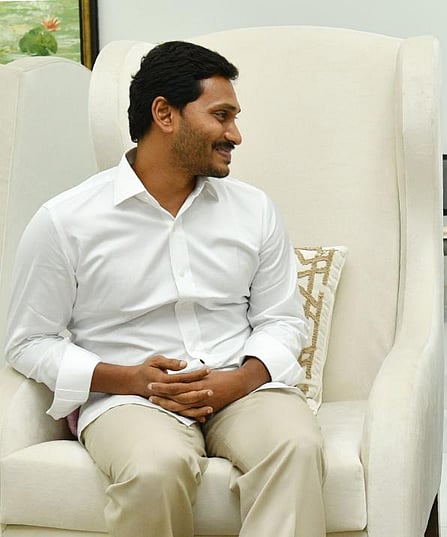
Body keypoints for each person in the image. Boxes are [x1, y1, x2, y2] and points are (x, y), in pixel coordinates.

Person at [5, 41, 325, 537]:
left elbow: (282, 320)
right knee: (155, 468)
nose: (234, 135)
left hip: (240, 387)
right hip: (129, 401)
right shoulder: (65, 221)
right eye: (221, 116)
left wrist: (239, 381)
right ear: (164, 114)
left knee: (297, 447)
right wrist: (129, 379)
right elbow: (28, 341)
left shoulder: (254, 210)